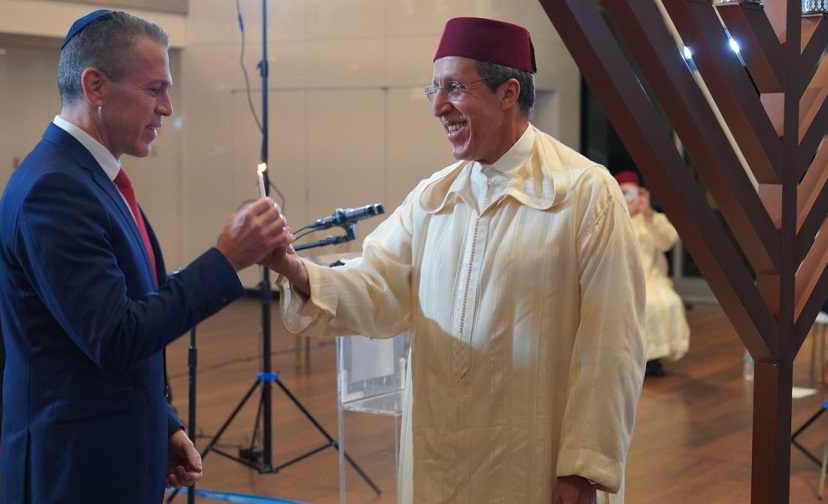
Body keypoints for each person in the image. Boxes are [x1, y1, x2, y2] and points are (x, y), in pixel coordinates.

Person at [264, 17, 646, 504]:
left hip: (534, 463)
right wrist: (292, 268)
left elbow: (613, 344)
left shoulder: (585, 194)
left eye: (454, 88)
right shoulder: (434, 197)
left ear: (508, 93)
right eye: (435, 89)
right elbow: (376, 285)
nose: (438, 106)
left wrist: (582, 470)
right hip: (440, 457)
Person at [0, 10, 292, 503]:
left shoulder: (89, 178)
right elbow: (115, 337)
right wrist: (226, 259)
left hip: (110, 452)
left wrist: (161, 422)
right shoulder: (55, 189)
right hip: (74, 471)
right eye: (155, 90)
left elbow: (122, 314)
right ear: (96, 86)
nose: (167, 108)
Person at [614, 171, 689, 377]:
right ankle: (630, 358)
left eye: (632, 193)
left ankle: (652, 358)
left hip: (652, 278)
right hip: (621, 279)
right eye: (623, 193)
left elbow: (668, 241)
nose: (629, 198)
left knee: (667, 303)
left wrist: (647, 214)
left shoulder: (652, 218)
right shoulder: (612, 216)